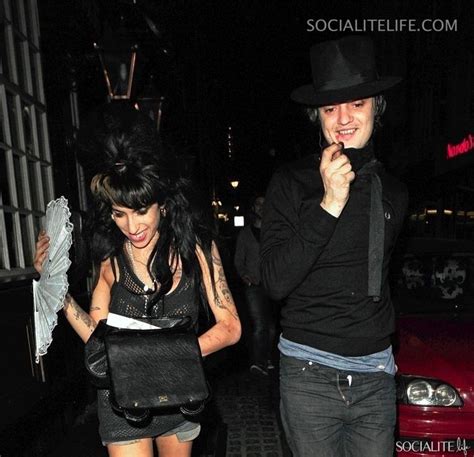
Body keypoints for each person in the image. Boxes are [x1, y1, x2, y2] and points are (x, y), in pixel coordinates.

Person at [34, 126, 241, 457]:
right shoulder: (110, 261)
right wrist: (60, 292)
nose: (132, 227)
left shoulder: (198, 249)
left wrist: (159, 359)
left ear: (164, 205)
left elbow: (230, 328)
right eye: (119, 214)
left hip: (180, 394)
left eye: (141, 211)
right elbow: (98, 340)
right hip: (123, 401)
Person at [260, 35, 408, 456]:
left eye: (356, 103)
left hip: (376, 375)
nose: (343, 117)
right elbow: (274, 281)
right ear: (317, 116)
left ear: (376, 108)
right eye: (330, 107)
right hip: (309, 373)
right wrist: (328, 203)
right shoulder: (291, 183)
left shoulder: (395, 193)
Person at [234, 195, 276, 375]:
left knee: (272, 326)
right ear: (253, 208)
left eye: (264, 204)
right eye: (258, 204)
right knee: (259, 325)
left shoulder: (273, 231)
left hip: (272, 284)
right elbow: (238, 259)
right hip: (254, 285)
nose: (261, 207)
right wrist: (244, 276)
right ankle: (258, 362)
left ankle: (267, 358)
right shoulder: (246, 233)